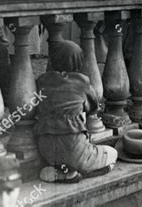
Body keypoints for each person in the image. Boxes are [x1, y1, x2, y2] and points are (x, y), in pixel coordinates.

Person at [35, 40, 117, 183]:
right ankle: (74, 173)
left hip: (45, 148)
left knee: (68, 155)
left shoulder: (42, 81)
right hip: (74, 149)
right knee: (113, 154)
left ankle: (60, 172)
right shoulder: (82, 82)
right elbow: (93, 106)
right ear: (79, 62)